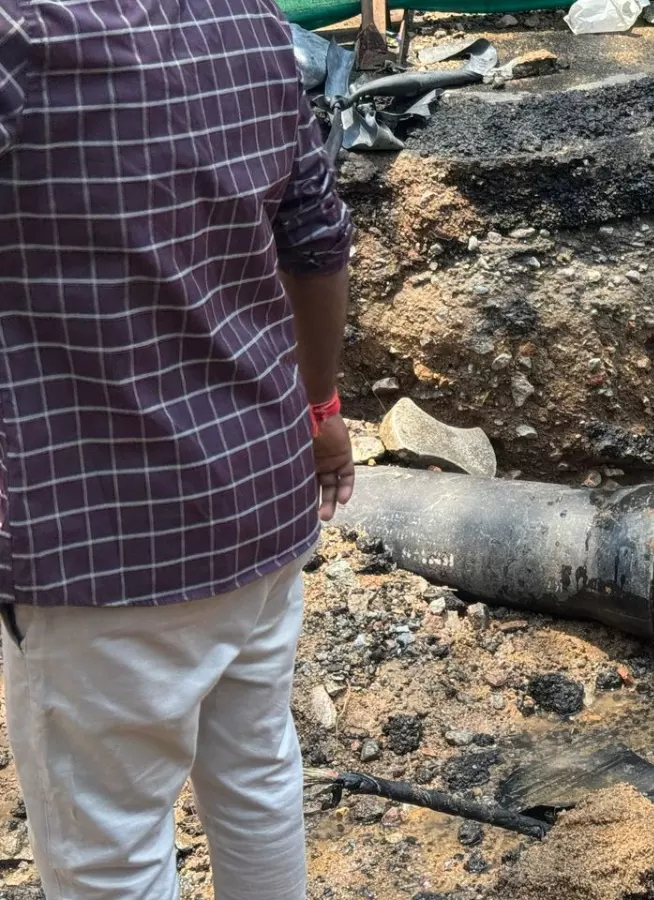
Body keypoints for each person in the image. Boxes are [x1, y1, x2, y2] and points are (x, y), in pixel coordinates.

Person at [0, 1, 354, 897]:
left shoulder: (24, 32)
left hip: (97, 543)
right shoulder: (249, 18)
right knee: (258, 771)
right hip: (261, 494)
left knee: (109, 850)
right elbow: (317, 239)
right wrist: (322, 408)